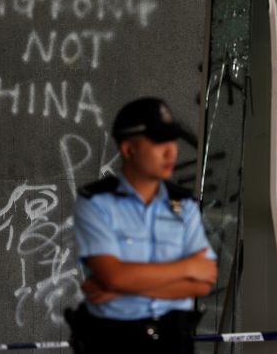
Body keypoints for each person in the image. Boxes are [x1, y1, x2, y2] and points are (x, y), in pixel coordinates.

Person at [66, 97, 218, 354]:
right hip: (113, 342)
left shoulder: (184, 204)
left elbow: (203, 282)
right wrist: (186, 267)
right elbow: (112, 276)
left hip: (173, 340)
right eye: (159, 142)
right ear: (128, 149)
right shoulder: (97, 203)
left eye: (172, 141)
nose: (171, 151)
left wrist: (125, 289)